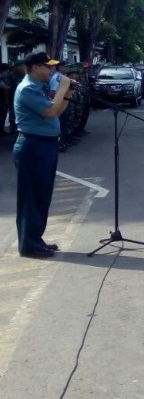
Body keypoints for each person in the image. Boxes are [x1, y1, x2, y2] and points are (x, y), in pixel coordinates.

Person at [13, 51, 73, 258]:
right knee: (32, 197)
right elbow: (48, 112)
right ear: (35, 67)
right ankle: (29, 245)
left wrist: (66, 94)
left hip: (44, 146)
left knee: (41, 195)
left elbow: (56, 111)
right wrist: (63, 87)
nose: (51, 70)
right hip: (33, 146)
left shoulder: (39, 87)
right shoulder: (28, 88)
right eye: (48, 67)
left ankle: (35, 239)